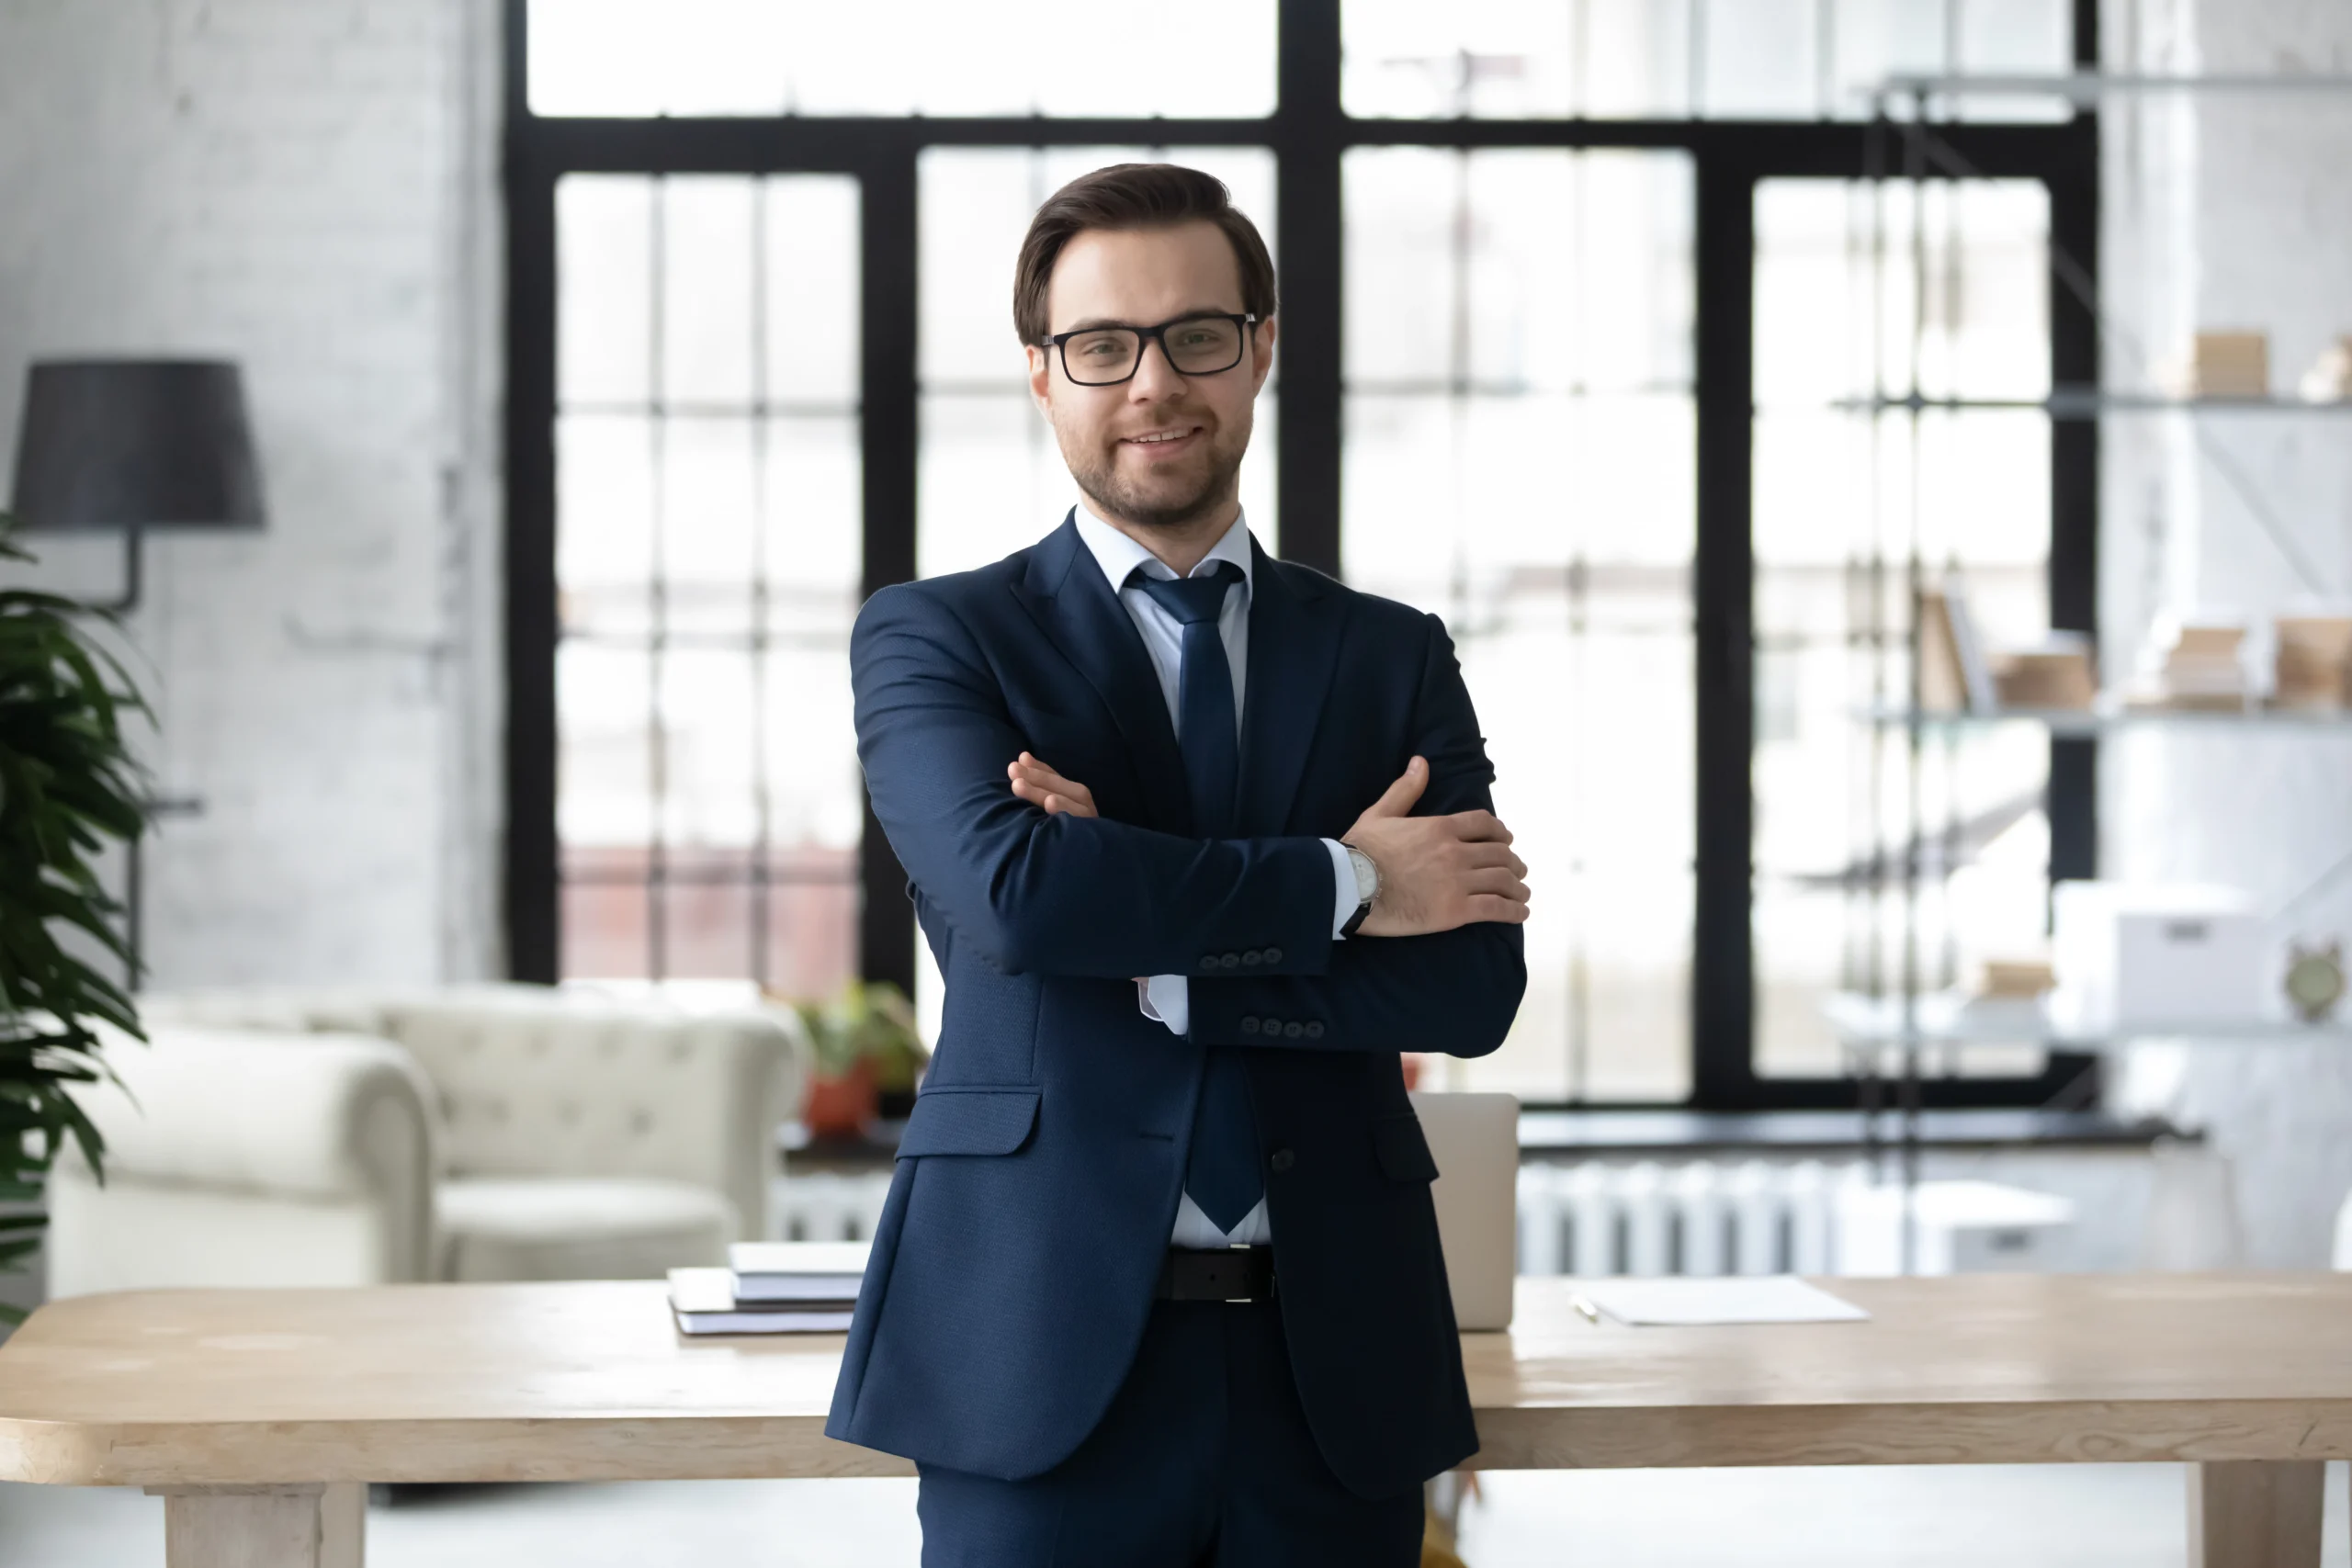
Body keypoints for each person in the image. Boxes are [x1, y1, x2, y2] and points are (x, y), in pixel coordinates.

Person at [829, 162, 1531, 1567]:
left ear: (1260, 347)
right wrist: (1343, 882)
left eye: (1198, 334)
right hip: (1035, 1351)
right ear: (1043, 375)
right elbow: (1020, 900)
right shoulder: (936, 639)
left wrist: (1166, 957)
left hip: (1330, 1360)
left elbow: (1467, 984)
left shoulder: (1389, 657)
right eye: (1103, 346)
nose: (1153, 382)